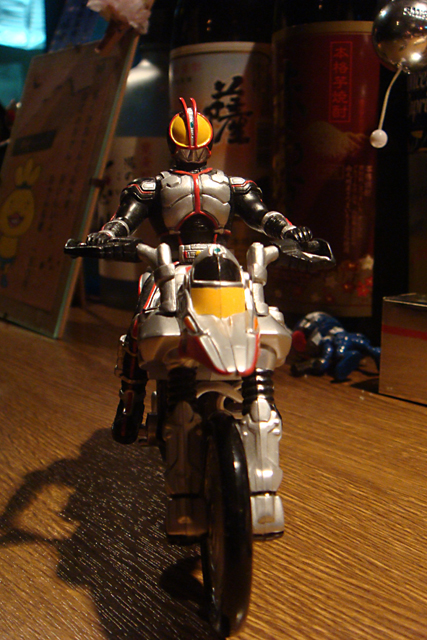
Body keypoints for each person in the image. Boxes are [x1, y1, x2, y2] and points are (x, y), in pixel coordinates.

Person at [86, 97, 312, 537]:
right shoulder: (152, 186)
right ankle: (131, 399)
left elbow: (262, 215)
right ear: (174, 144)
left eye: (198, 145)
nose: (192, 152)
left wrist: (290, 232)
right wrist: (106, 235)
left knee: (258, 319)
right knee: (142, 322)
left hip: (222, 266)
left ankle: (255, 407)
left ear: (209, 144)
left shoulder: (231, 184)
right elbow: (125, 219)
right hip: (169, 266)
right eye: (185, 145)